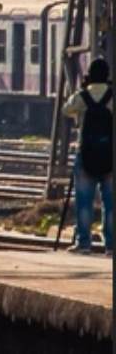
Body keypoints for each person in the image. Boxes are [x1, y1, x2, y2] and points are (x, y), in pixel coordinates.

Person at [63, 58, 113, 254]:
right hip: (110, 156)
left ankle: (84, 243)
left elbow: (66, 109)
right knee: (111, 204)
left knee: (84, 201)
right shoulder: (112, 96)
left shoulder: (83, 96)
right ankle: (111, 245)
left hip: (86, 155)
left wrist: (82, 89)